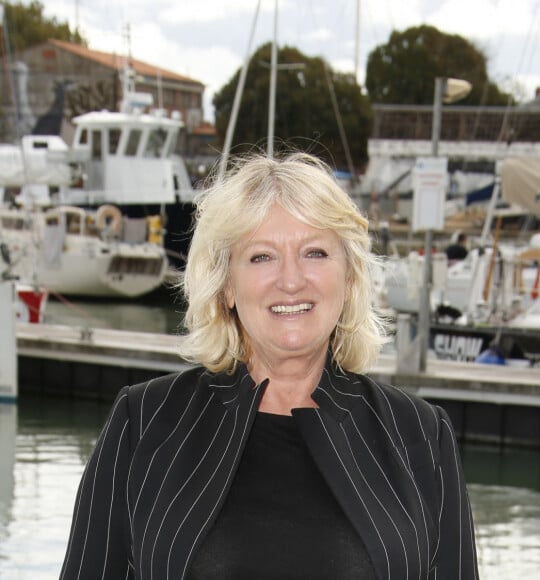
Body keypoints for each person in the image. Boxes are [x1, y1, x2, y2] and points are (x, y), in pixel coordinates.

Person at [60, 152, 479, 580]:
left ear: (350, 278)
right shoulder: (145, 421)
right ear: (226, 286)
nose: (292, 279)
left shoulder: (421, 437)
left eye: (314, 252)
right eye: (262, 256)